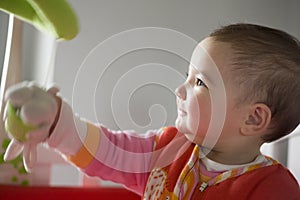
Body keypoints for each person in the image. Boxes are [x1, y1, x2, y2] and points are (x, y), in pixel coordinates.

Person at [3, 23, 300, 199]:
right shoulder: (169, 150)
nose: (179, 90)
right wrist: (57, 123)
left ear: (252, 118)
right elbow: (110, 151)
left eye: (199, 82)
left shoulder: (272, 188)